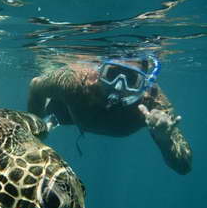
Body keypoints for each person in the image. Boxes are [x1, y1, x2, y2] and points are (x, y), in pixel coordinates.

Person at [27, 55, 192, 175]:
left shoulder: (153, 104)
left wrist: (165, 140)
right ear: (99, 72)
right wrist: (34, 137)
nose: (119, 86)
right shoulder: (74, 82)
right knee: (52, 109)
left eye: (131, 79)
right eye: (111, 74)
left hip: (79, 113)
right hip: (65, 110)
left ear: (144, 85)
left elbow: (184, 166)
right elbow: (36, 85)